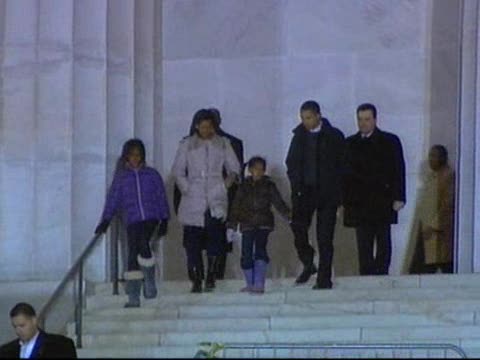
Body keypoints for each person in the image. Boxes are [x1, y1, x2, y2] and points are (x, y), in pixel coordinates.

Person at [94, 139, 170, 307]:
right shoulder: (121, 179)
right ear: (126, 157)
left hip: (151, 218)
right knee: (132, 253)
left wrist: (164, 218)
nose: (135, 158)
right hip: (132, 219)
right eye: (131, 155)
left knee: (143, 242)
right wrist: (105, 220)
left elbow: (161, 197)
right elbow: (113, 200)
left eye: (138, 155)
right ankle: (134, 295)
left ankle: (149, 280)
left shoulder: (152, 174)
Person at [172, 109, 240, 293]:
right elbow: (178, 170)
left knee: (215, 239)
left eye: (209, 127)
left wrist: (224, 185)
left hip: (215, 193)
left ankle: (211, 275)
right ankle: (196, 278)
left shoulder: (223, 144)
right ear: (196, 126)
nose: (206, 130)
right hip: (193, 195)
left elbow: (234, 168)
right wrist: (187, 188)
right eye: (202, 127)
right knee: (192, 241)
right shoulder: (187, 144)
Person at [286, 100, 345, 289]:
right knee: (299, 230)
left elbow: (343, 166)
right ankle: (308, 261)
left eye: (309, 117)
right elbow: (291, 163)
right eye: (303, 118)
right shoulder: (299, 137)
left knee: (325, 238)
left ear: (318, 115)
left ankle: (324, 278)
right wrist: (297, 185)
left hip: (327, 194)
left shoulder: (334, 136)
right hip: (305, 193)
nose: (305, 121)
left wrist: (339, 195)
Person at [343, 103, 406, 276]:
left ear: (375, 120)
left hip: (383, 199)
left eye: (367, 119)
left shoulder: (390, 141)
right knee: (363, 242)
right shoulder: (349, 143)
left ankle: (381, 274)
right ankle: (366, 275)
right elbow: (344, 175)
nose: (363, 123)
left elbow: (398, 170)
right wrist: (344, 201)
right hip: (359, 201)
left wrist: (399, 197)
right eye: (360, 119)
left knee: (383, 239)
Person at [227, 156, 291, 294]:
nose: (259, 172)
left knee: (260, 249)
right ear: (250, 170)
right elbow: (236, 206)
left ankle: (259, 283)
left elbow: (278, 202)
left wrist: (288, 216)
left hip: (263, 223)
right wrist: (232, 225)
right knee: (246, 253)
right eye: (256, 169)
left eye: (261, 169)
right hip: (247, 224)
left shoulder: (269, 185)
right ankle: (250, 283)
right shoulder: (243, 187)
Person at [409, 145, 455, 274]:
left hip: (438, 233)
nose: (430, 159)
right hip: (426, 230)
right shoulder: (433, 176)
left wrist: (433, 225)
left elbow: (448, 205)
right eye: (430, 156)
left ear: (443, 158)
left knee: (440, 265)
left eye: (434, 156)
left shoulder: (448, 177)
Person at [0, 302, 77, 358]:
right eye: (15, 327)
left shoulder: (61, 345)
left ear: (34, 321)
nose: (18, 331)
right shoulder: (5, 351)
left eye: (22, 325)